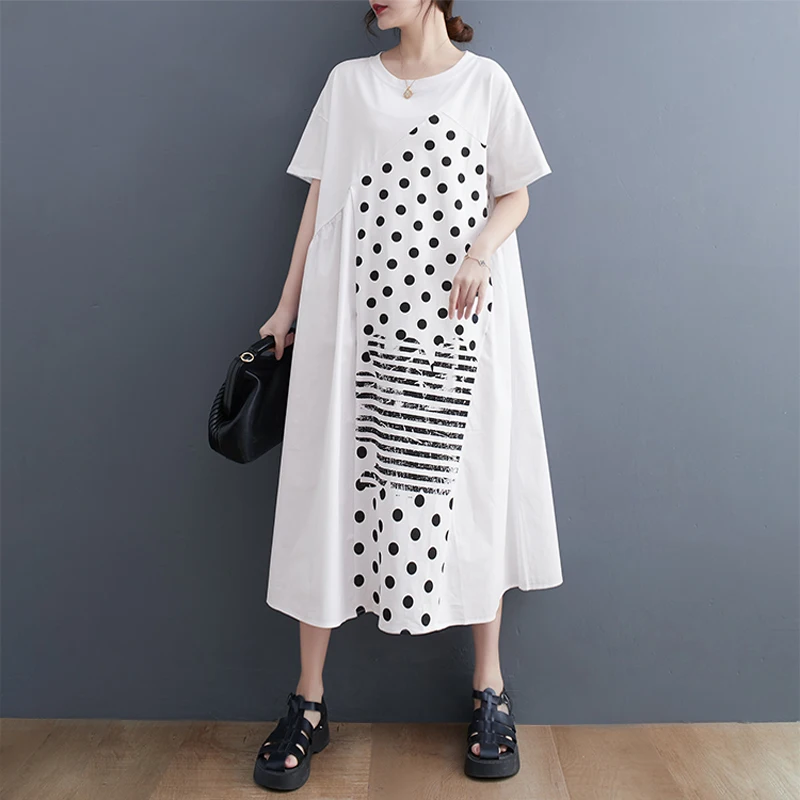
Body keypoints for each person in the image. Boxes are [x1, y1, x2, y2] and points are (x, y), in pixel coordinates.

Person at [253, 0, 563, 791]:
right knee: (334, 493)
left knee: (467, 491)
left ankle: (489, 690)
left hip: (453, 330)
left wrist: (482, 250)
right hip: (354, 325)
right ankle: (308, 701)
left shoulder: (485, 84)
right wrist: (286, 307)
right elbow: (318, 201)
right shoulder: (348, 84)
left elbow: (517, 192)